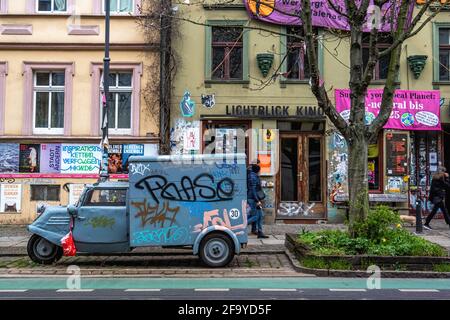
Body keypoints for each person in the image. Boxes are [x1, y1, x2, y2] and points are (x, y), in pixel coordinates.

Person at [247, 162, 269, 239]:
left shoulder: (254, 175)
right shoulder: (253, 177)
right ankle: (242, 225)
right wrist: (257, 200)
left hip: (254, 198)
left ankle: (260, 232)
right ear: (257, 170)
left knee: (260, 215)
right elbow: (253, 189)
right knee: (255, 216)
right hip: (252, 199)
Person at [424, 166, 450, 230]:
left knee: (435, 211)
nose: (445, 173)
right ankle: (449, 223)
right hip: (437, 198)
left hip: (436, 197)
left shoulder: (435, 178)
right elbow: (447, 185)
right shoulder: (440, 179)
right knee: (444, 211)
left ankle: (426, 223)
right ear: (442, 172)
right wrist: (447, 177)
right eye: (444, 172)